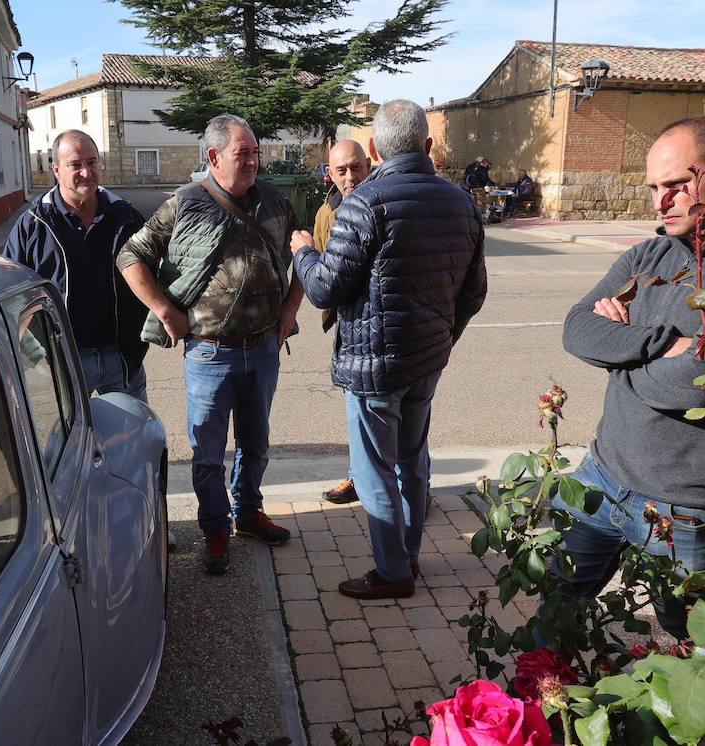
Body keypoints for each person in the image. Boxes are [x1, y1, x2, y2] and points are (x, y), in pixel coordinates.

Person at [553, 115, 705, 642]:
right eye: (653, 188)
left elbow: (688, 386)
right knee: (557, 608)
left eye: (676, 186)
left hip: (683, 506)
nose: (660, 202)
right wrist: (661, 342)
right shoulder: (650, 254)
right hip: (603, 475)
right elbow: (576, 329)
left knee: (687, 639)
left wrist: (624, 343)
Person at [290, 100, 487, 599]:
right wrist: (445, 334)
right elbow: (473, 291)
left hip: (374, 368)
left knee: (375, 467)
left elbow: (322, 290)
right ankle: (409, 558)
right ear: (428, 145)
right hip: (426, 361)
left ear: (374, 149)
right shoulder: (461, 203)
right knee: (412, 458)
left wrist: (302, 252)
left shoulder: (364, 203)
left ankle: (394, 571)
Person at [117, 114, 303, 574]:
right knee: (206, 452)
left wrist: (290, 308)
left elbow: (304, 249)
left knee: (256, 445)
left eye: (256, 153)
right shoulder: (184, 204)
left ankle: (248, 513)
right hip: (209, 353)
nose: (253, 162)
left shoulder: (275, 200)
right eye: (244, 154)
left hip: (263, 348)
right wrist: (163, 310)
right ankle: (215, 528)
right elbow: (130, 255)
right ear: (214, 157)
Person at [3, 130, 149, 400]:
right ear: (56, 170)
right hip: (65, 360)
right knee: (73, 441)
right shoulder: (33, 224)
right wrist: (34, 354)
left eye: (92, 162)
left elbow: (152, 272)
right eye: (75, 165)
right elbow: (11, 292)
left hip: (121, 357)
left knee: (133, 436)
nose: (86, 172)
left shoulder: (125, 217)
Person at [312, 139, 373, 506]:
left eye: (356, 167)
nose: (350, 177)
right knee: (358, 411)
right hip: (351, 328)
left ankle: (416, 489)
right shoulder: (327, 212)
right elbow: (322, 272)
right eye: (341, 170)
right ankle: (358, 477)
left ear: (369, 164)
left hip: (387, 324)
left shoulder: (384, 200)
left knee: (404, 417)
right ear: (330, 174)